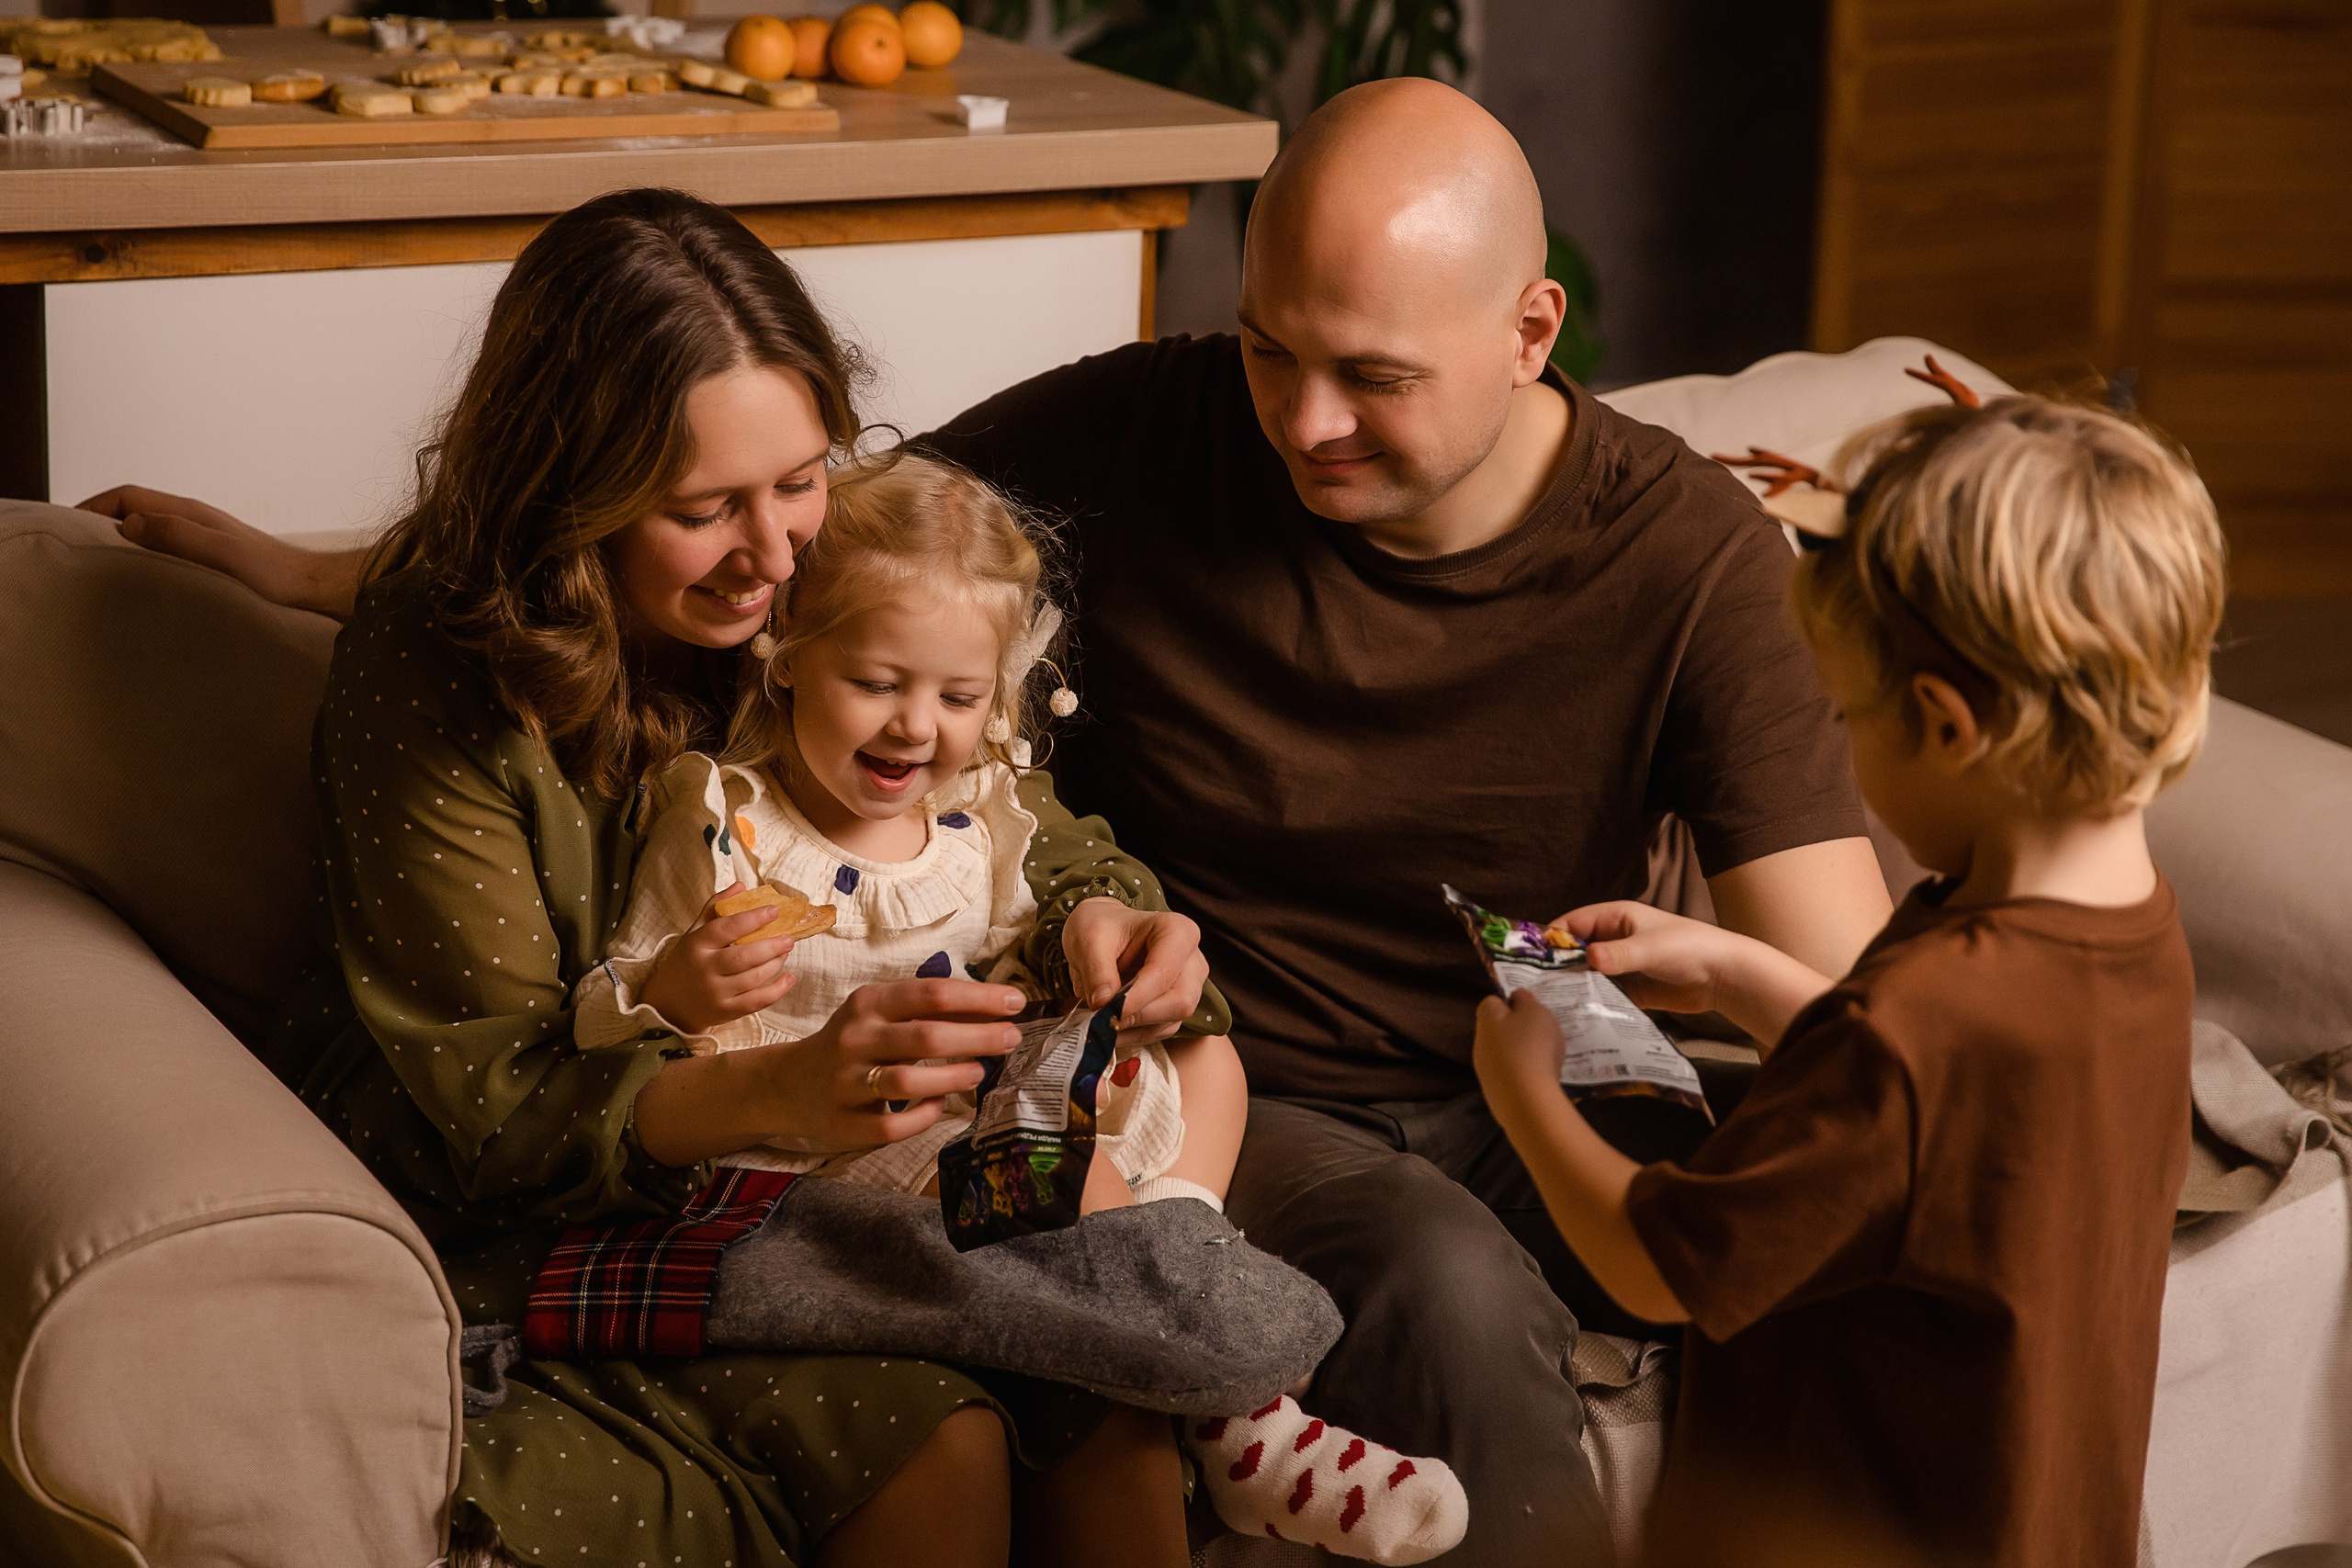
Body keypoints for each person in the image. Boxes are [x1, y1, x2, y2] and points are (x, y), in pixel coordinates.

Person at [106, 80, 1898, 1565]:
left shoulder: (831, 605)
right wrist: (303, 568)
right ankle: (1232, 1381)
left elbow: (1025, 820)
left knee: (1136, 1353)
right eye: (1272, 350)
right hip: (798, 1159)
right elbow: (507, 1059)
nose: (1299, 420)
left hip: (1081, 1112)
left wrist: (1114, 934)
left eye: (802, 486)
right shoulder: (518, 669)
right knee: (1144, 1342)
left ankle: (1221, 1389)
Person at [87, 188, 1225, 1568]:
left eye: (801, 476)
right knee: (943, 1440)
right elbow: (492, 1109)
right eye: (704, 509)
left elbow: (998, 796)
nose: (778, 553)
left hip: (844, 1160)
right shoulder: (441, 680)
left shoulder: (808, 565)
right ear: (577, 492)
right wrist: (785, 1087)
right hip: (553, 1198)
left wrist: (1108, 907)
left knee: (1114, 1394)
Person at [582, 449, 1471, 1563]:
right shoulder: (726, 823)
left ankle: (1175, 1264)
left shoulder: (982, 812)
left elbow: (1033, 935)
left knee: (1206, 1058)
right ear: (788, 660)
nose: (918, 727)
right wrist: (674, 988)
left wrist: (1090, 935)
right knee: (1051, 1159)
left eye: (958, 697)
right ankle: (1239, 1415)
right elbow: (613, 1019)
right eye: (877, 683)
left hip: (990, 1116)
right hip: (830, 1153)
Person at [1473, 393, 2223, 1568]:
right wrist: (1734, 969)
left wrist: (1521, 1092)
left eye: (1846, 715)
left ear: (1942, 721)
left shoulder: (1916, 1025)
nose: (1849, 756)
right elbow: (1949, 1121)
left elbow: (1658, 1263)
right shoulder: (2135, 937)